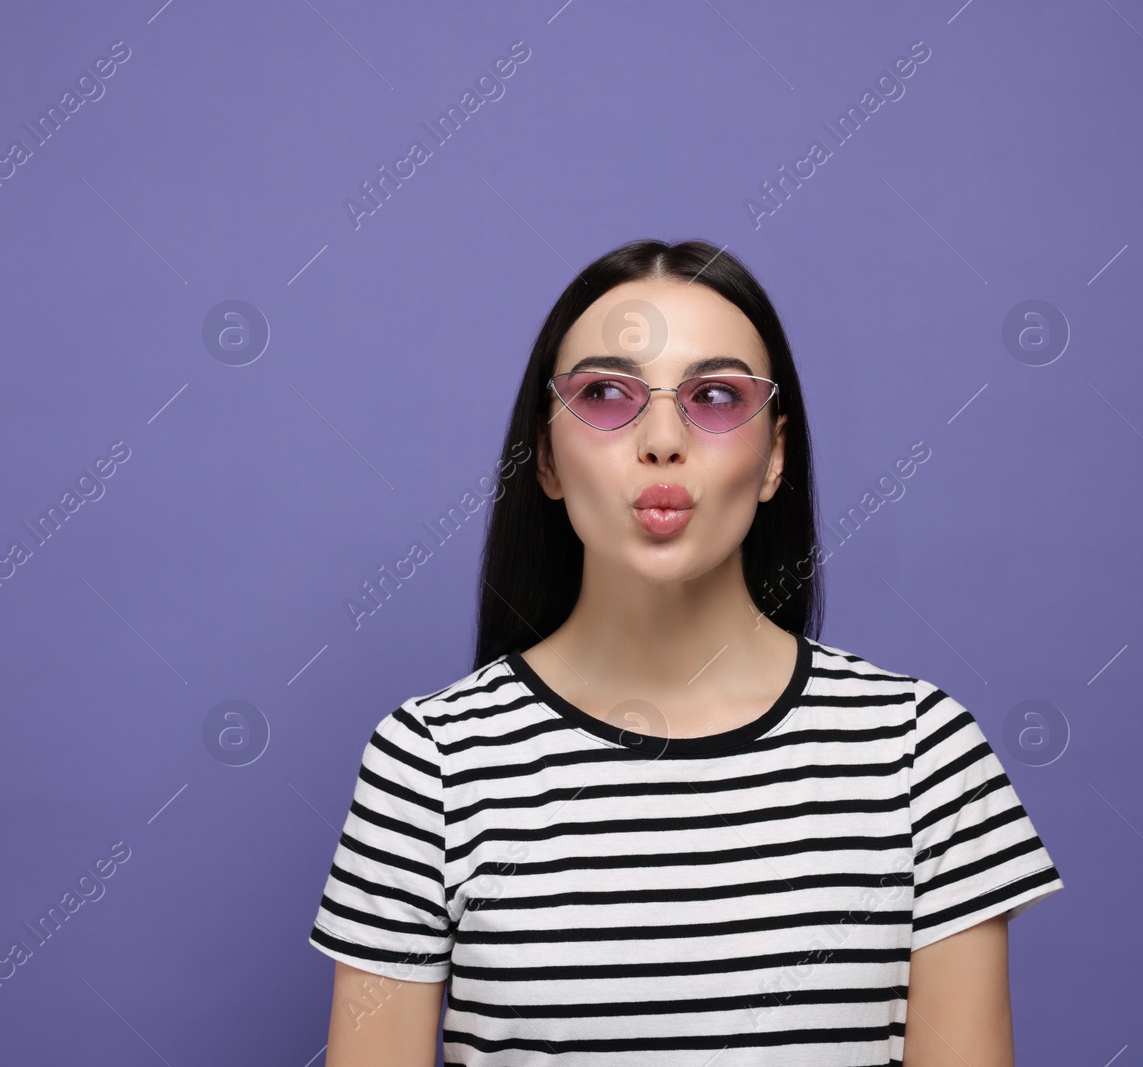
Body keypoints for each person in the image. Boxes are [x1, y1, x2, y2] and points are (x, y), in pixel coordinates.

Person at [307, 238, 1064, 1066]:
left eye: (713, 395)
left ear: (775, 454)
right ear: (548, 459)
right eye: (603, 393)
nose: (662, 439)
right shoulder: (432, 764)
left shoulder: (920, 754)